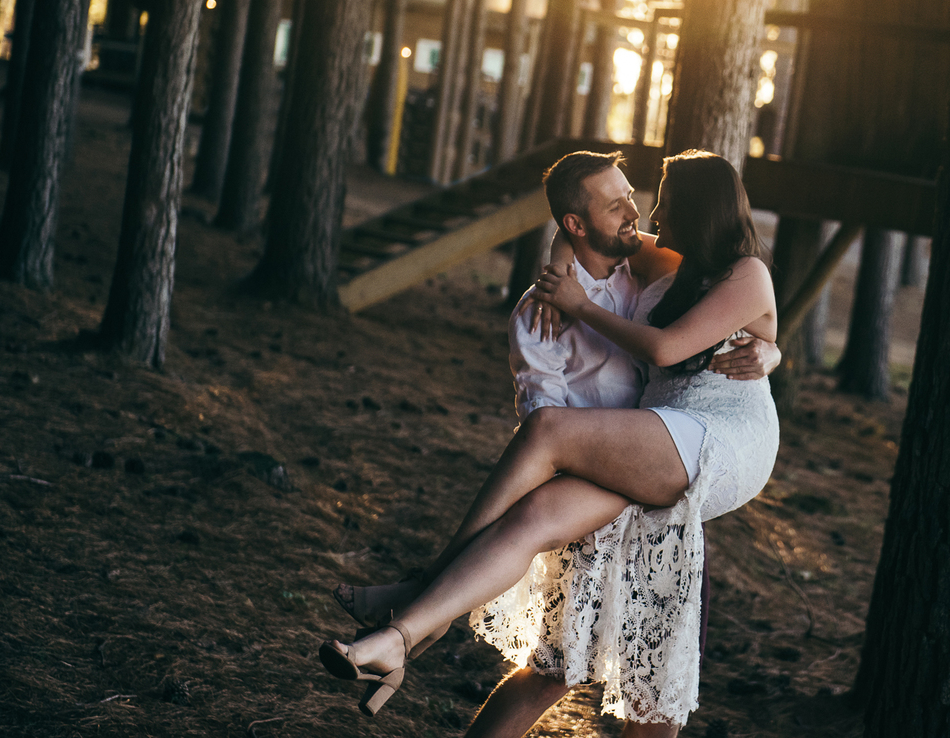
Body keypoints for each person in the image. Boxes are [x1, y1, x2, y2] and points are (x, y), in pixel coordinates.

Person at [320, 149, 780, 734]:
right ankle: (399, 638)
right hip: (651, 445)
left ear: (697, 209)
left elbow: (667, 349)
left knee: (546, 431)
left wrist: (772, 348)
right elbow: (580, 240)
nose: (649, 212)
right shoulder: (665, 262)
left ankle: (426, 582)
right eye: (633, 202)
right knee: (536, 519)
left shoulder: (747, 272)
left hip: (718, 439)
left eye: (661, 201)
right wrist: (562, 278)